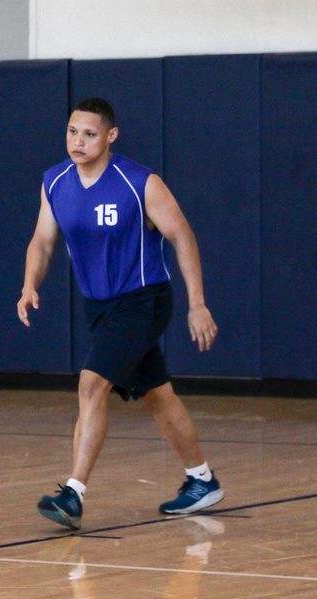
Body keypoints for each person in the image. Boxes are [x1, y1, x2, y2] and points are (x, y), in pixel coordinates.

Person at [17, 97, 224, 530]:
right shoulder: (55, 182)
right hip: (99, 307)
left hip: (143, 300)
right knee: (157, 394)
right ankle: (201, 479)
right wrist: (29, 283)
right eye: (73, 131)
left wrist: (197, 303)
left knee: (92, 384)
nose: (78, 141)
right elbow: (42, 240)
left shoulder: (139, 182)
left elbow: (183, 237)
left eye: (89, 134)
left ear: (110, 136)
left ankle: (73, 493)